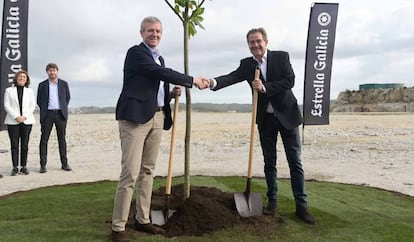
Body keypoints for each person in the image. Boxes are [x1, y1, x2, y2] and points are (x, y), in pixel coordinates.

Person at [111, 16, 208, 242]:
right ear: (141, 33)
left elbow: (157, 82)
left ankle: (142, 219)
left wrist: (171, 96)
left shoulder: (159, 58)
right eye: (150, 31)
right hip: (135, 119)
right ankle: (118, 228)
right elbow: (159, 74)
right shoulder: (136, 53)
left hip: (157, 116)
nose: (154, 34)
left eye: (157, 31)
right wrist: (192, 80)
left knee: (148, 171)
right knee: (130, 174)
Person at [205, 28, 316, 224]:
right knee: (269, 162)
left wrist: (265, 87)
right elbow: (231, 77)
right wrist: (212, 82)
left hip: (287, 117)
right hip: (266, 120)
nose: (255, 45)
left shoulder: (281, 57)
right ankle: (272, 202)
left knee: (295, 162)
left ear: (266, 42)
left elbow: (289, 80)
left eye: (258, 41)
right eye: (251, 43)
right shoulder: (247, 64)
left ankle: (301, 206)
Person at [37, 63, 72, 173]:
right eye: (50, 70)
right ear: (47, 72)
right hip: (47, 114)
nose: (52, 72)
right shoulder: (42, 85)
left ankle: (64, 164)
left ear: (57, 71)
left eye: (54, 70)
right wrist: (46, 110)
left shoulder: (64, 84)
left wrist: (62, 108)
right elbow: (39, 100)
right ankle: (43, 165)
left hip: (60, 114)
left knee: (62, 139)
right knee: (44, 140)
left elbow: (67, 98)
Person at [3, 70, 36, 175]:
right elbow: (6, 105)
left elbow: (32, 106)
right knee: (14, 145)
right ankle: (15, 167)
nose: (22, 78)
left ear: (27, 80)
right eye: (20, 76)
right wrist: (16, 116)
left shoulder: (30, 91)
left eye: (24, 77)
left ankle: (23, 166)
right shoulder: (8, 90)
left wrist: (24, 117)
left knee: (25, 145)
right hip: (13, 121)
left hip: (27, 121)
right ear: (16, 78)